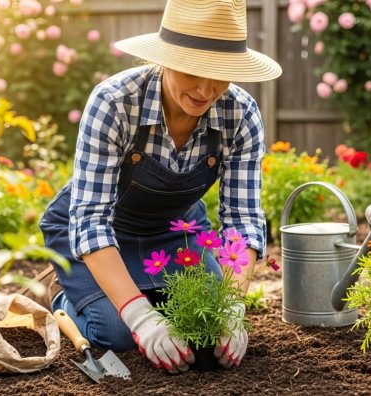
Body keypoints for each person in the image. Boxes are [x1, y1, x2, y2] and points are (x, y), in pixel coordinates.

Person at [27, 0, 282, 374]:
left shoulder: (240, 114)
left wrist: (231, 305)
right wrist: (140, 317)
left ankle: (136, 294)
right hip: (95, 233)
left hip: (172, 233)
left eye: (222, 73)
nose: (206, 88)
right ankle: (67, 295)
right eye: (194, 69)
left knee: (204, 322)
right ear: (165, 58)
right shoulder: (114, 102)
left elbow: (243, 221)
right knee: (118, 331)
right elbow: (91, 220)